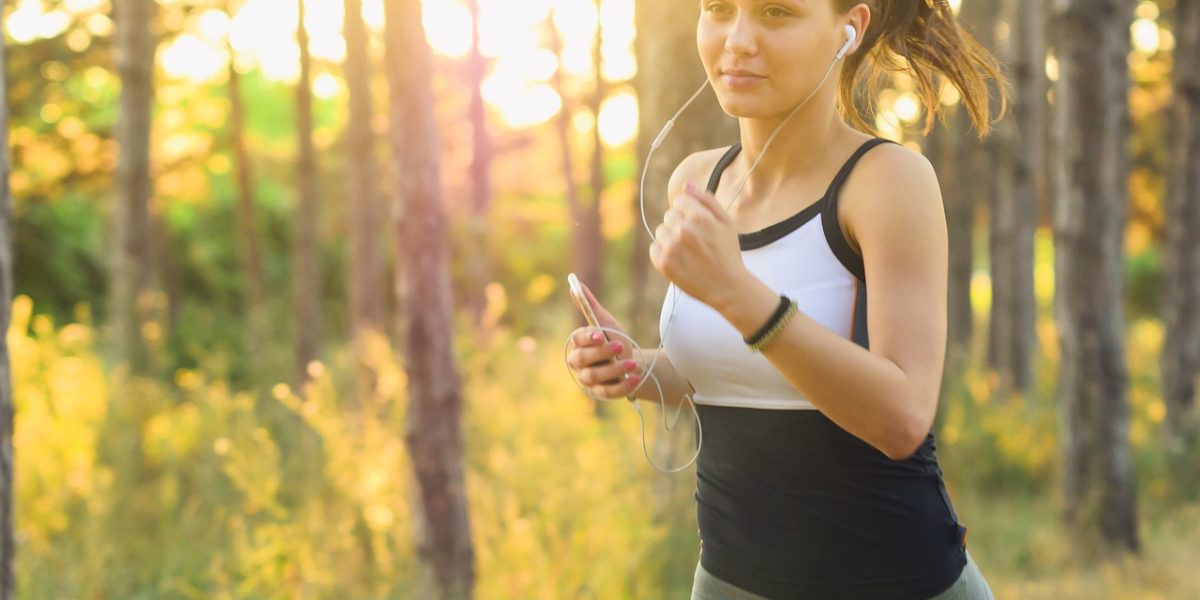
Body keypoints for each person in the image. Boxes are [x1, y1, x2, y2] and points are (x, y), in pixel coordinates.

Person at [565, 0, 1008, 598]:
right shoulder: (697, 181)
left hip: (895, 581)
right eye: (718, 8)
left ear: (848, 29)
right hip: (729, 581)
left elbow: (902, 418)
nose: (737, 40)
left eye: (776, 12)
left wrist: (737, 293)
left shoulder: (887, 182)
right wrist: (635, 368)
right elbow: (724, 374)